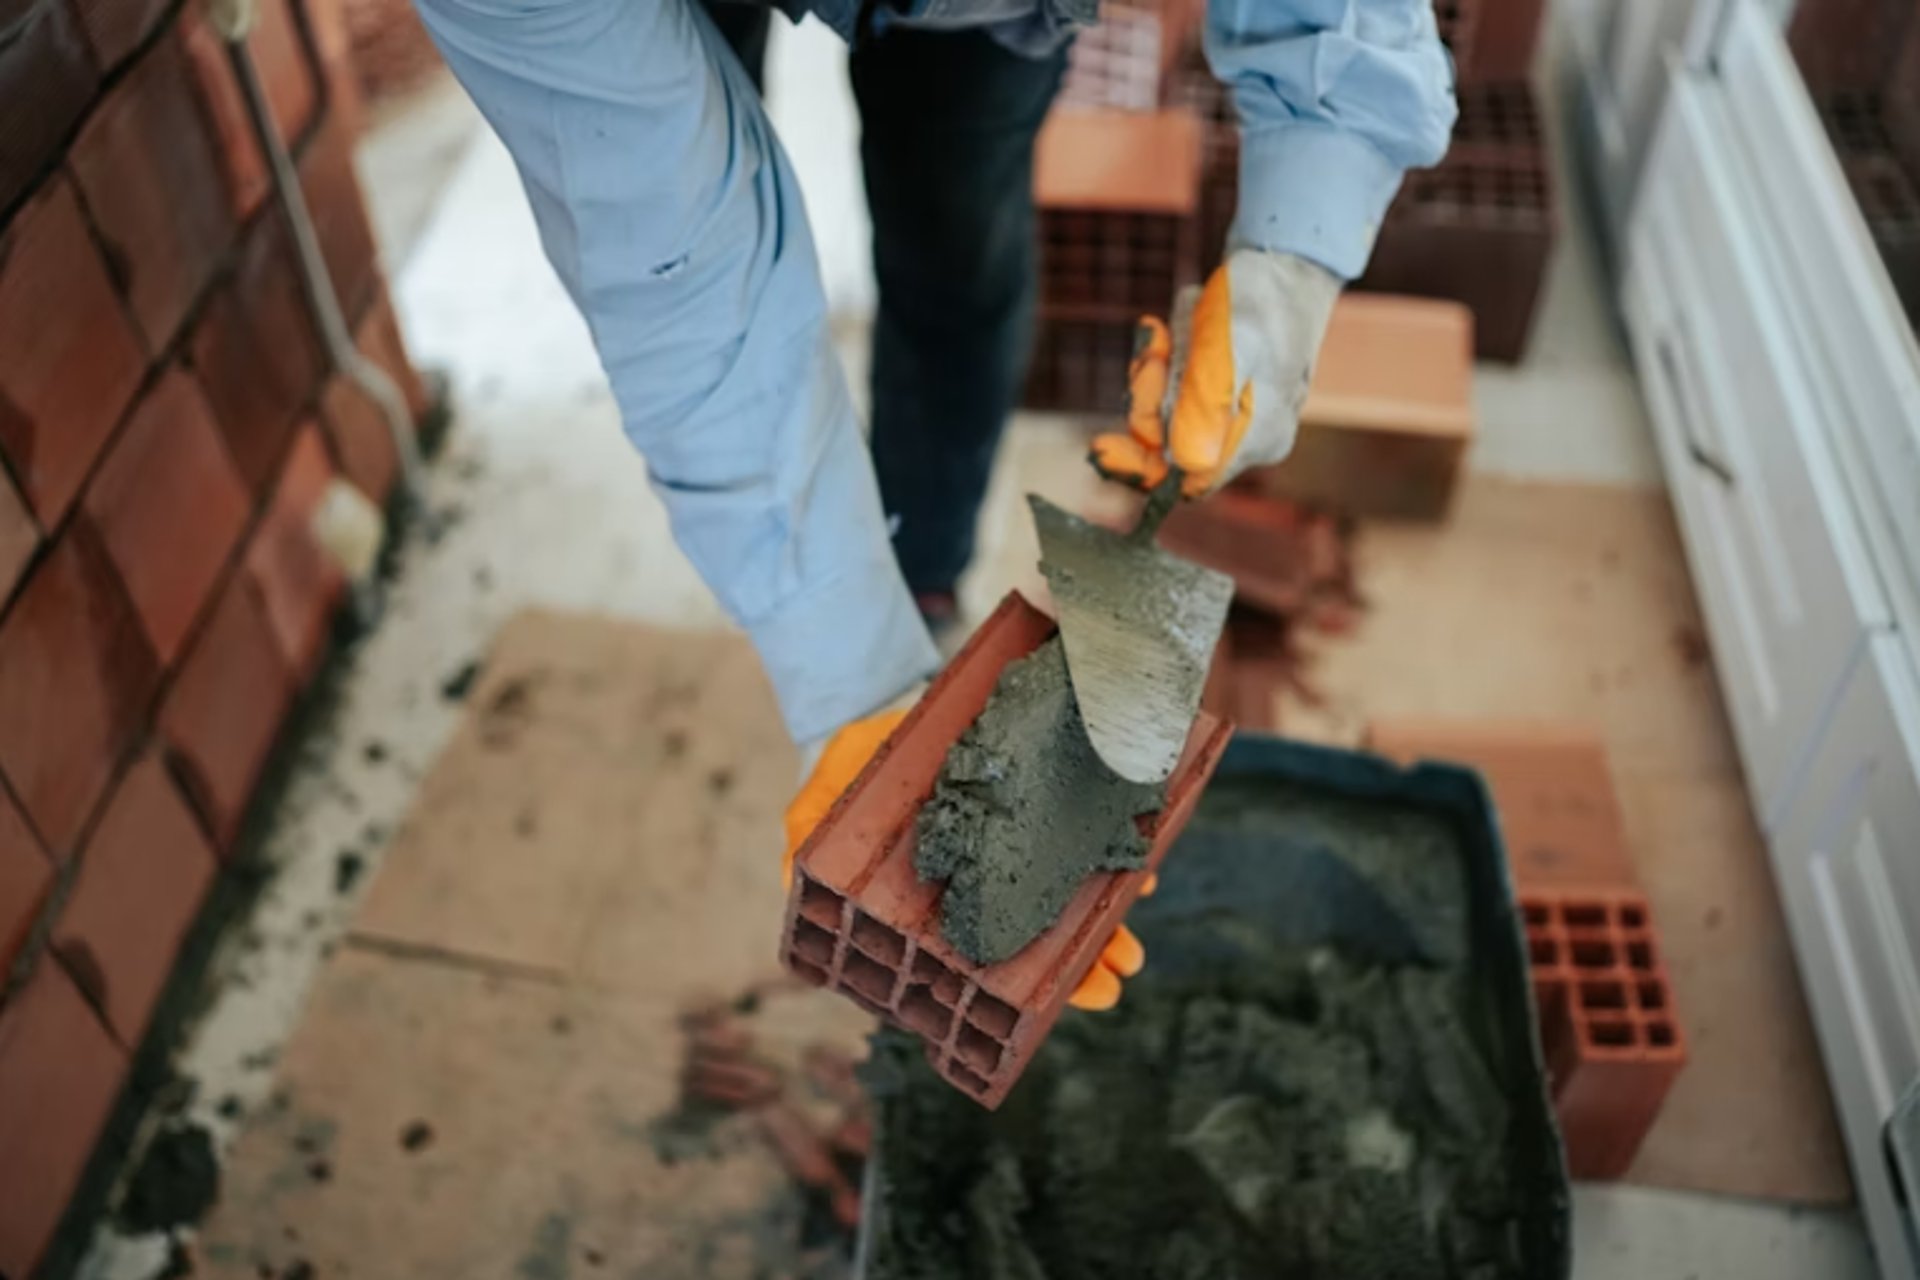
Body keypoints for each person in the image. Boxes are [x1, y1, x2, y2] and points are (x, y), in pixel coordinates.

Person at [413, 0, 1455, 1005]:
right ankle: (885, 614)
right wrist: (845, 660)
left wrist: (1294, 253)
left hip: (985, 21)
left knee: (958, 252)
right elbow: (679, 274)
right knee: (697, 168)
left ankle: (925, 574)